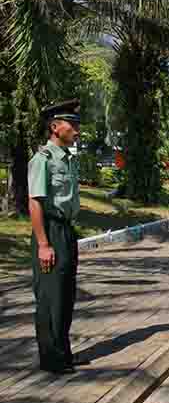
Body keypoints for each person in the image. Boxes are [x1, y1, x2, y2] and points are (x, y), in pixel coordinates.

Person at [28, 99, 86, 375]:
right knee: (50, 295)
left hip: (65, 230)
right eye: (72, 125)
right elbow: (35, 202)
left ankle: (63, 353)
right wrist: (43, 244)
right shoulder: (43, 160)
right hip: (49, 231)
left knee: (65, 294)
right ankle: (51, 359)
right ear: (54, 127)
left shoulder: (67, 159)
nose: (77, 130)